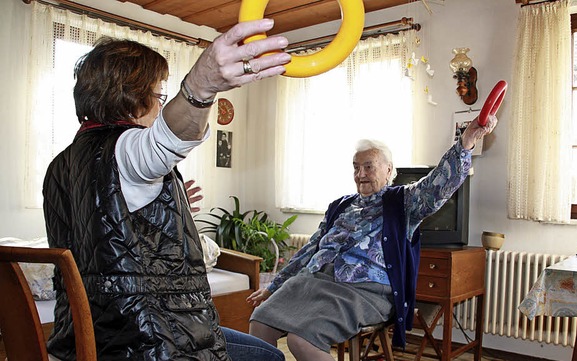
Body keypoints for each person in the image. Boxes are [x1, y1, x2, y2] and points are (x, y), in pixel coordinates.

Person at [42, 19, 291, 361]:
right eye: (159, 96)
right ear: (131, 98)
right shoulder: (124, 148)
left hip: (91, 335)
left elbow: (108, 226)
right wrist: (201, 85)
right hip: (148, 337)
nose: (160, 105)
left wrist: (161, 204)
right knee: (271, 357)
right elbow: (164, 141)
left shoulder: (62, 163)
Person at [247, 116, 497, 360]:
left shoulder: (403, 201)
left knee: (300, 339)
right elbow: (309, 249)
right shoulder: (340, 206)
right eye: (356, 167)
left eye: (369, 166)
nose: (360, 174)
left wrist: (466, 142)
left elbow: (436, 185)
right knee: (261, 321)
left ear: (388, 170)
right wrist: (274, 285)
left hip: (367, 292)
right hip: (317, 281)